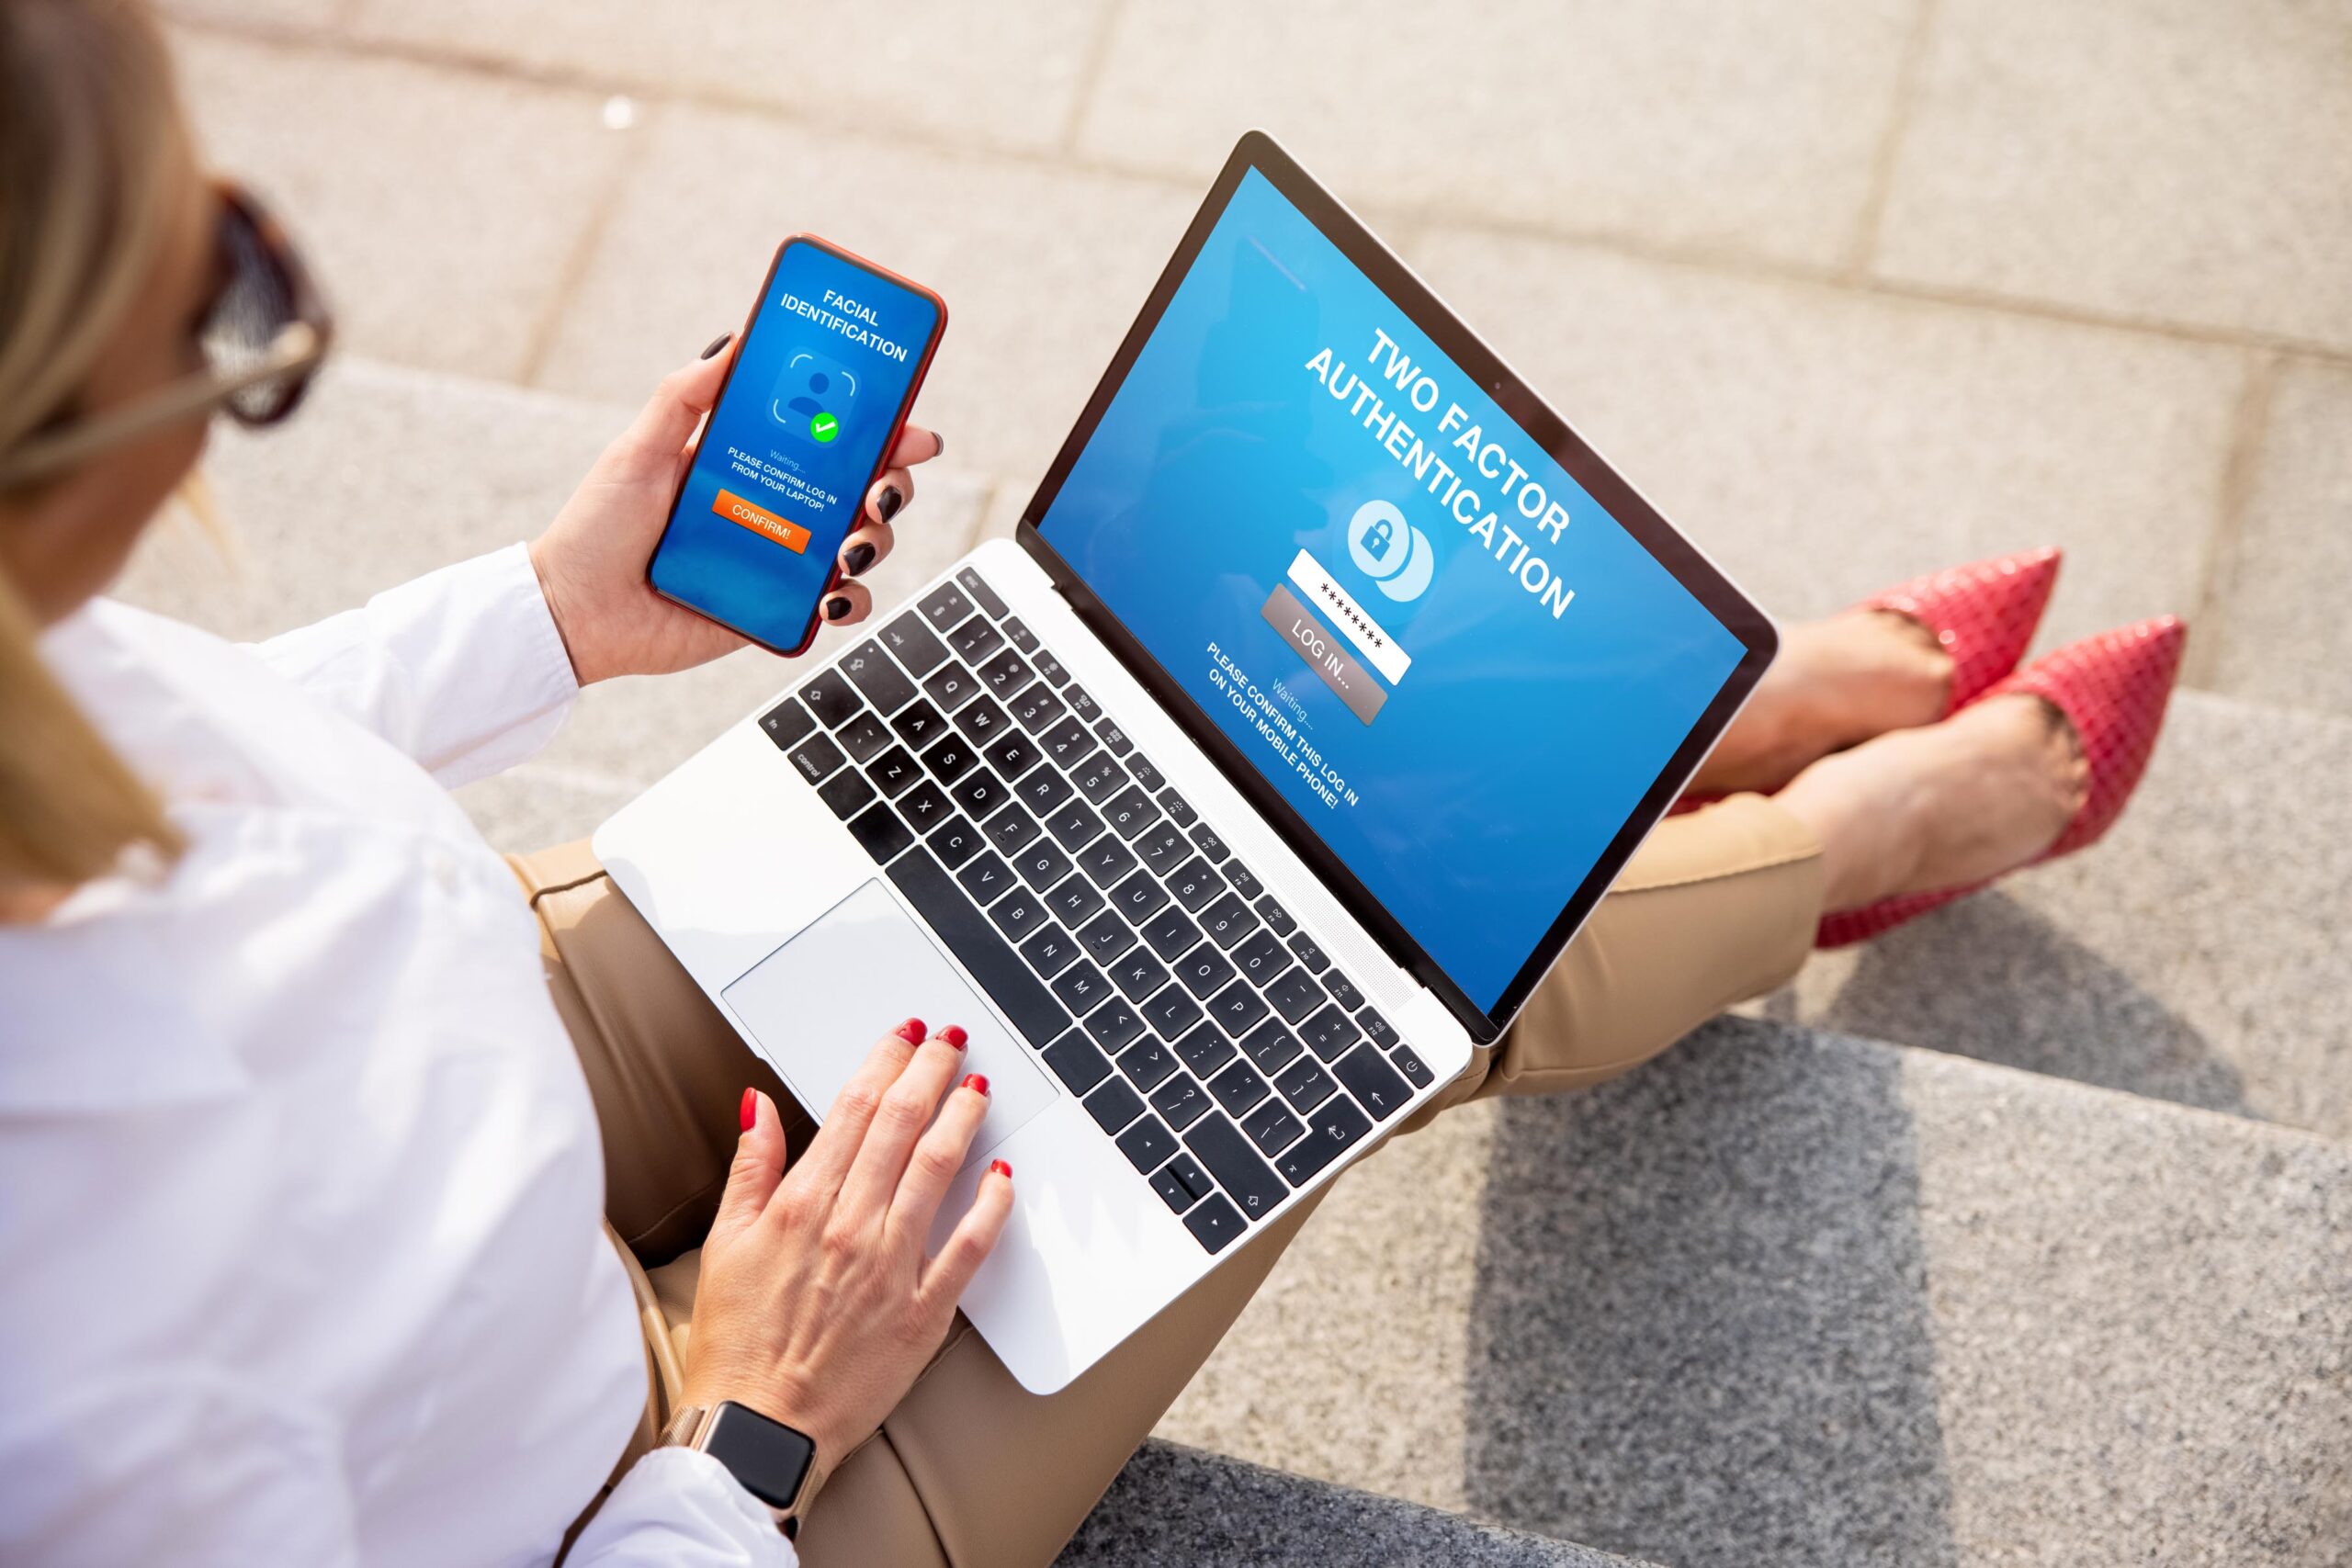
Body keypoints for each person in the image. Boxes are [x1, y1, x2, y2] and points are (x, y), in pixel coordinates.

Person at [0, 3, 2185, 1562]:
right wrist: (755, 1431)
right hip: (639, 1485)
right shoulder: (83, 1408)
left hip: (475, 1030)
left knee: (1177, 789)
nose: (240, 318)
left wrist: (553, 615)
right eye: (224, 303)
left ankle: (1690, 756)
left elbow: (100, 714)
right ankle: (1813, 827)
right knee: (1349, 960)